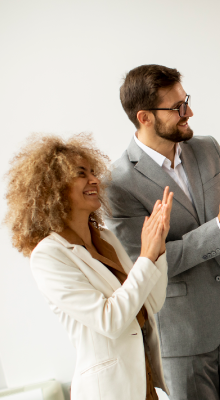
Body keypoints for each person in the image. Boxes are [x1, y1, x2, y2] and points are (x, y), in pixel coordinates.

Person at [106, 64, 220, 400]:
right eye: (177, 107)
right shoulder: (119, 184)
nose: (188, 112)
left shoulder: (208, 149)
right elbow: (148, 262)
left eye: (186, 101)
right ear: (144, 117)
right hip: (183, 330)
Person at [5, 133, 173, 400]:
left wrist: (157, 251)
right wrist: (145, 256)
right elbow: (109, 320)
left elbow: (150, 303)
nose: (94, 179)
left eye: (93, 172)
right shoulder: (48, 256)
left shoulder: (105, 237)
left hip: (145, 384)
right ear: (53, 188)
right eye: (81, 173)